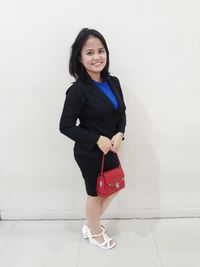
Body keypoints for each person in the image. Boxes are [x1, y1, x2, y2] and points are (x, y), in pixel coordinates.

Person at [59, 28, 126, 250]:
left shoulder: (113, 82)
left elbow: (122, 112)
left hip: (112, 149)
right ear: (79, 57)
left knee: (113, 187)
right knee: (95, 194)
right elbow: (65, 126)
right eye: (89, 52)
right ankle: (96, 233)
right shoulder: (78, 91)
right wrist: (97, 138)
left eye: (101, 51)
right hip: (89, 153)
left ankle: (91, 224)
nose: (97, 57)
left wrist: (119, 133)